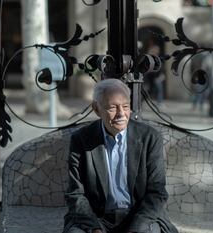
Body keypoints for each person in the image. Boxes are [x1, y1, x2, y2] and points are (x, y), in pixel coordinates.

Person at [63, 79, 177, 233]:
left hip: (139, 217)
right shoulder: (81, 139)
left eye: (125, 107)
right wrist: (95, 229)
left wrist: (136, 229)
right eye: (112, 108)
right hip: (97, 218)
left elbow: (157, 192)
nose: (121, 114)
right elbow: (75, 194)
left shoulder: (150, 138)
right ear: (96, 109)